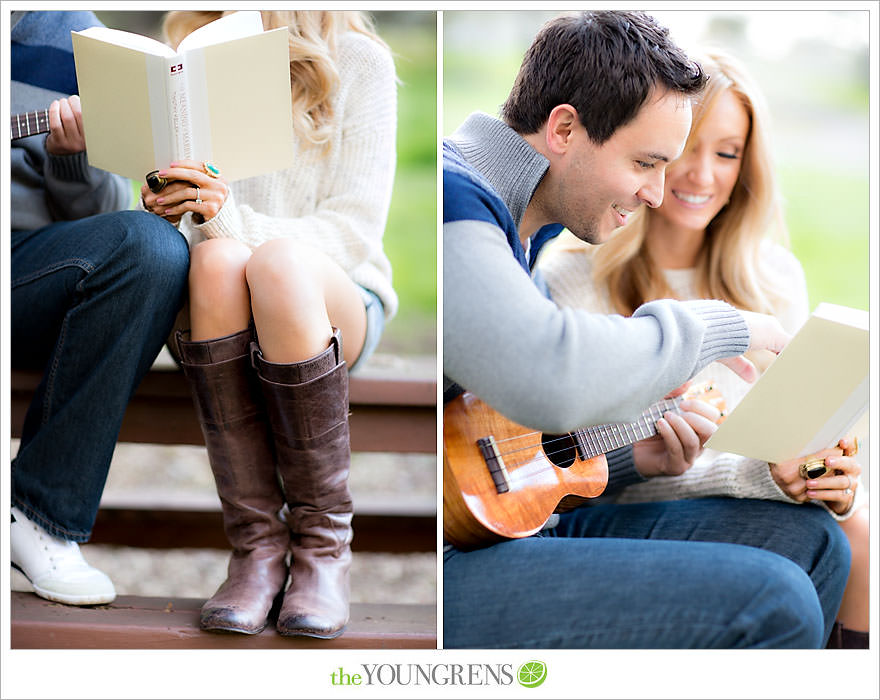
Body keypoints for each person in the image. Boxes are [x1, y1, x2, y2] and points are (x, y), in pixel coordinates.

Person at [443, 11, 850, 648]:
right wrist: (720, 326)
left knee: (816, 542)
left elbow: (514, 442)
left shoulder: (525, 223)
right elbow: (548, 372)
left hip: (507, 526)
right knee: (775, 600)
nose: (659, 193)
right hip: (451, 565)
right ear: (565, 129)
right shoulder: (457, 200)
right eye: (646, 162)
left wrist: (638, 458)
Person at [539, 48, 869, 648]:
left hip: (741, 512)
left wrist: (826, 480)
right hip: (605, 519)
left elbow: (805, 446)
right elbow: (560, 459)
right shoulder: (574, 277)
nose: (703, 174)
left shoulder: (774, 277)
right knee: (823, 539)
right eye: (690, 147)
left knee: (842, 529)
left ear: (747, 167)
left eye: (728, 153)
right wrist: (763, 477)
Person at [139, 10, 397, 639]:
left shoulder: (361, 61)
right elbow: (180, 234)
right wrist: (163, 206)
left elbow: (352, 233)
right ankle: (255, 548)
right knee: (219, 262)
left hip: (330, 297)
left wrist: (229, 216)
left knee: (275, 264)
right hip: (216, 299)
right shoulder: (183, 59)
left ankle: (322, 552)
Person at [10, 11, 190, 605]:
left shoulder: (67, 32)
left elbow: (104, 214)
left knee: (152, 248)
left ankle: (38, 516)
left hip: (26, 266)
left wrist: (69, 157)